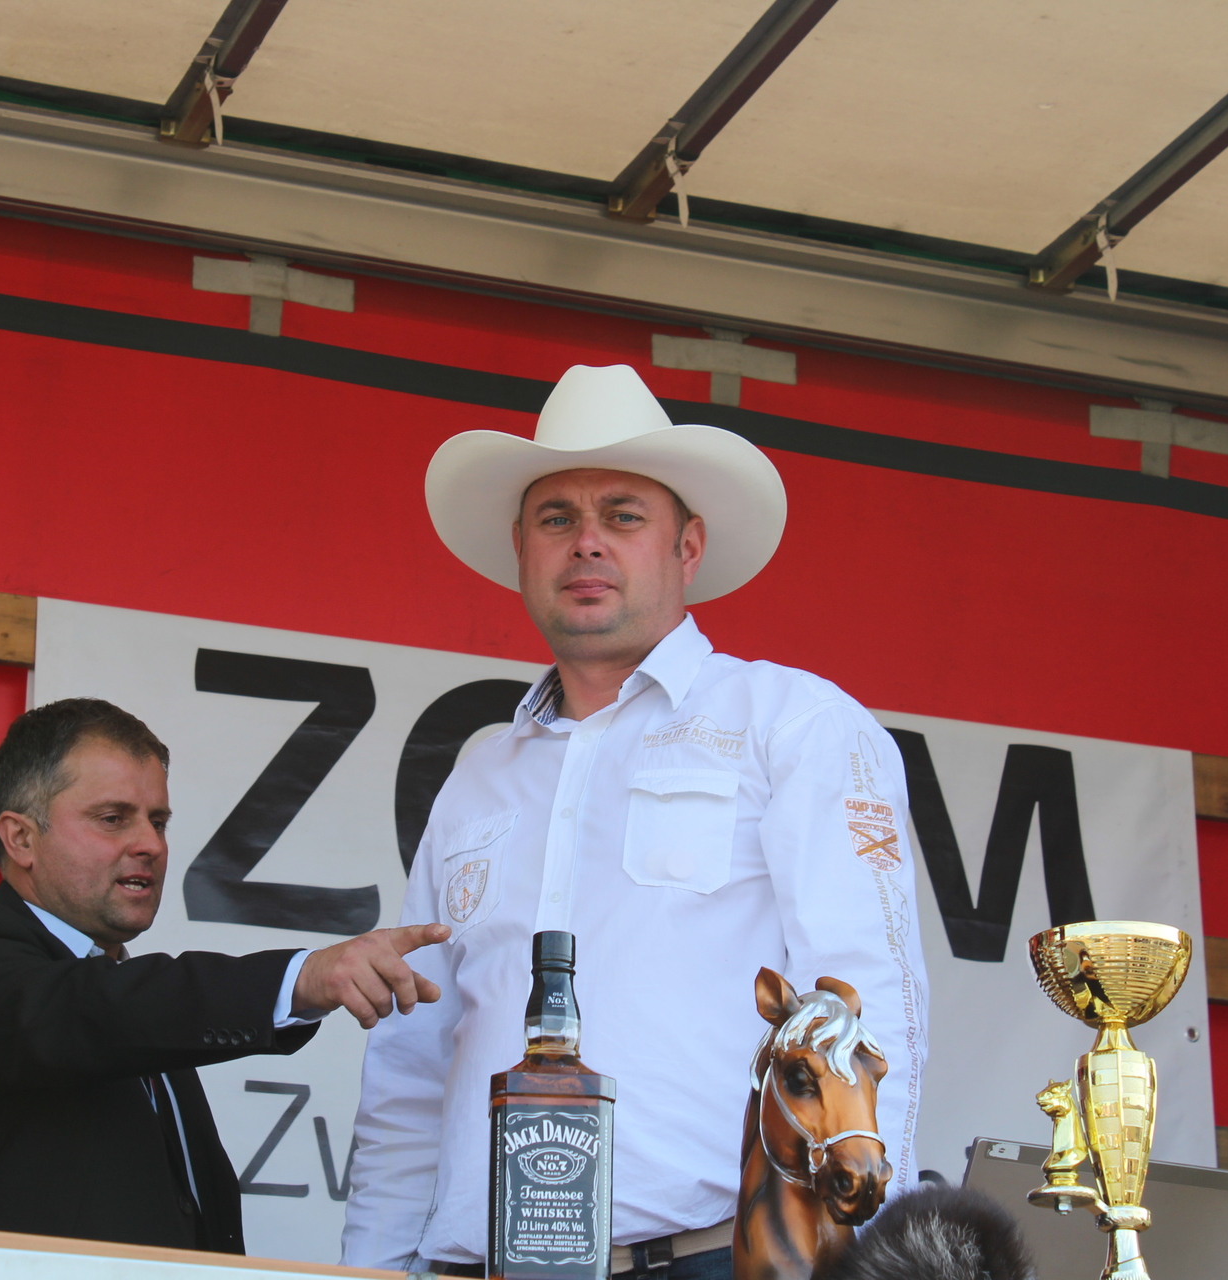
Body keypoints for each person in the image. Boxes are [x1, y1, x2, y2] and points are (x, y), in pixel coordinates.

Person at [342, 364, 929, 1277]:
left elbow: (864, 1005)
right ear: (521, 548)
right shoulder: (478, 778)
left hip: (701, 1260)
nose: (586, 543)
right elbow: (413, 1060)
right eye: (556, 519)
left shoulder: (792, 723)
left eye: (622, 516)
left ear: (687, 547)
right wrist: (371, 1268)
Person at [0, 698, 449, 1249]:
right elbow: (92, 1012)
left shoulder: (136, 1007)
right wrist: (299, 978)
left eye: (158, 821)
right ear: (21, 837)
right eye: (112, 819)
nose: (150, 844)